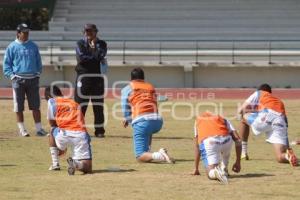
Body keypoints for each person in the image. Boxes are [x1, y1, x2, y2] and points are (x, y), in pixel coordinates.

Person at [121, 67, 174, 163]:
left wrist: (127, 118)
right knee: (148, 128)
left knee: (139, 156)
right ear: (143, 78)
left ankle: (160, 155)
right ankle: (150, 153)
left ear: (131, 79)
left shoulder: (127, 88)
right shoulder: (150, 86)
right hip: (157, 121)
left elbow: (125, 106)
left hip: (142, 121)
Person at [2, 23, 47, 137]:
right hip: (18, 80)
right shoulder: (12, 47)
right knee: (18, 106)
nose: (26, 34)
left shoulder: (33, 46)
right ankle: (22, 129)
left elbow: (38, 61)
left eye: (27, 32)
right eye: (24, 32)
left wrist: (37, 73)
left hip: (33, 79)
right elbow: (7, 65)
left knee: (35, 105)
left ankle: (39, 129)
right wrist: (12, 76)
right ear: (18, 33)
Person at [238, 83, 298, 167]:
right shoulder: (279, 101)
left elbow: (241, 109)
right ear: (270, 92)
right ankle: (288, 157)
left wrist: (249, 112)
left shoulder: (259, 93)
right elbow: (285, 126)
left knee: (243, 117)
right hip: (279, 122)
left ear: (260, 90)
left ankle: (243, 152)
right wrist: (288, 148)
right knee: (280, 156)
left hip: (266, 117)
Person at [45, 85, 92, 175]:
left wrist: (61, 147)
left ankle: (55, 164)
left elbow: (52, 124)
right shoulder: (74, 103)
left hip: (63, 135)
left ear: (48, 97)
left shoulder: (51, 101)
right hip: (80, 135)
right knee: (88, 167)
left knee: (52, 130)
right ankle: (76, 164)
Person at [74, 24, 108, 138]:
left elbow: (101, 55)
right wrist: (95, 55)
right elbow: (82, 58)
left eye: (90, 31)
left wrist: (93, 52)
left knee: (98, 106)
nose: (88, 33)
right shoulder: (80, 43)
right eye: (86, 31)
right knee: (80, 105)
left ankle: (99, 131)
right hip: (83, 77)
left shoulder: (102, 44)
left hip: (97, 78)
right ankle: (78, 129)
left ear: (95, 32)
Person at [193, 112, 242, 184]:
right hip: (227, 140)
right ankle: (224, 168)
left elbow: (197, 146)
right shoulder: (223, 119)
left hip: (210, 142)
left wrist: (196, 168)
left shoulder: (197, 121)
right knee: (225, 149)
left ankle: (215, 172)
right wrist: (238, 162)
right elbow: (238, 139)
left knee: (210, 173)